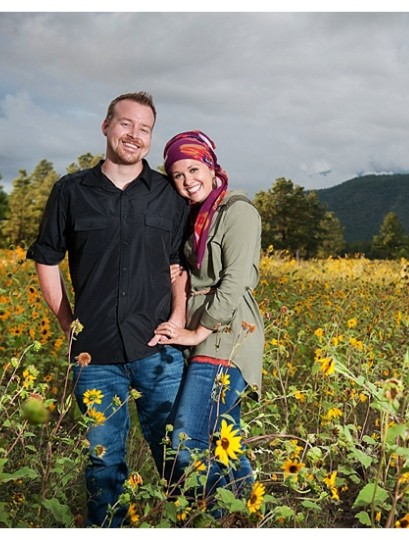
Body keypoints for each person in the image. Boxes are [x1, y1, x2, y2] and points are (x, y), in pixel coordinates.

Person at [26, 91, 189, 527]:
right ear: (105, 126)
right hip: (93, 355)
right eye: (125, 124)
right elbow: (47, 258)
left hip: (158, 353)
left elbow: (181, 267)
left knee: (179, 458)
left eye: (145, 128)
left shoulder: (168, 196)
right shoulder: (70, 191)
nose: (134, 135)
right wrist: (68, 325)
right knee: (104, 465)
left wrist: (177, 319)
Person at [150, 130, 264, 511]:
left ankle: (213, 517)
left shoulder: (237, 211)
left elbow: (234, 282)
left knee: (186, 438)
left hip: (227, 334)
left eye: (194, 169)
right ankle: (248, 514)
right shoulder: (200, 216)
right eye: (178, 175)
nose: (187, 181)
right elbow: (187, 279)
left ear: (212, 166)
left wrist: (198, 329)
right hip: (206, 336)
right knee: (223, 439)